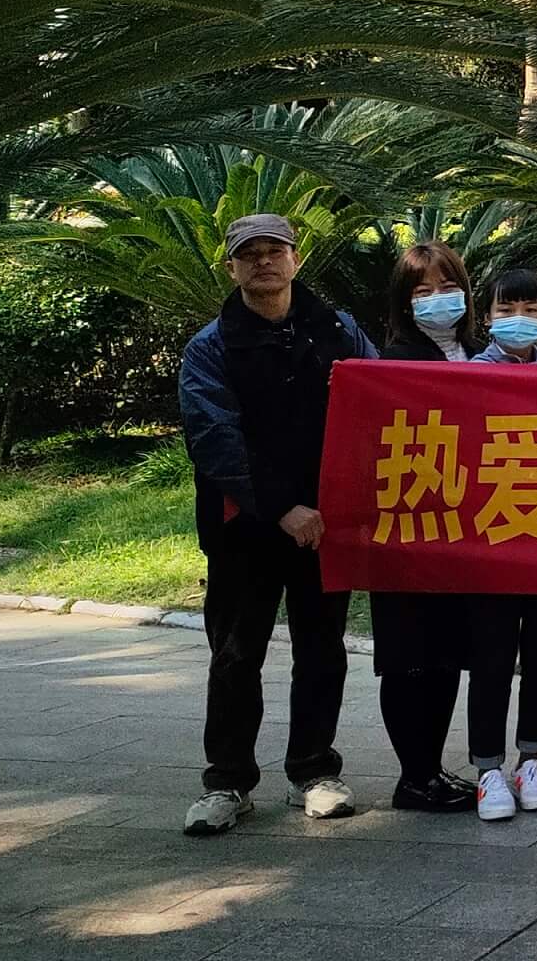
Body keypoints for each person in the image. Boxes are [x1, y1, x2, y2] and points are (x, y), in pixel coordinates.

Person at [176, 213, 373, 834]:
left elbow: (377, 402)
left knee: (321, 651)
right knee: (236, 656)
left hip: (324, 526)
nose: (264, 261)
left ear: (296, 259)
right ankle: (227, 783)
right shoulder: (210, 346)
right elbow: (215, 439)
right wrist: (284, 507)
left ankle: (314, 772)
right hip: (245, 529)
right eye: (250, 254)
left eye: (275, 250)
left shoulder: (340, 330)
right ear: (231, 268)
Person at [372, 243, 481, 814]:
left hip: (467, 530)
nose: (439, 299)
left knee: (446, 654)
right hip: (409, 528)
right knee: (408, 655)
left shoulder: (484, 355)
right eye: (423, 292)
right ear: (404, 302)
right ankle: (413, 775)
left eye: (448, 287)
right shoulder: (393, 362)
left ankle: (430, 768)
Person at [466, 265, 537, 820]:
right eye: (506, 310)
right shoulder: (466, 378)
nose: (519, 320)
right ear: (487, 318)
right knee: (492, 657)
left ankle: (532, 760)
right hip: (493, 538)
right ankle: (487, 769)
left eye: (531, 310)